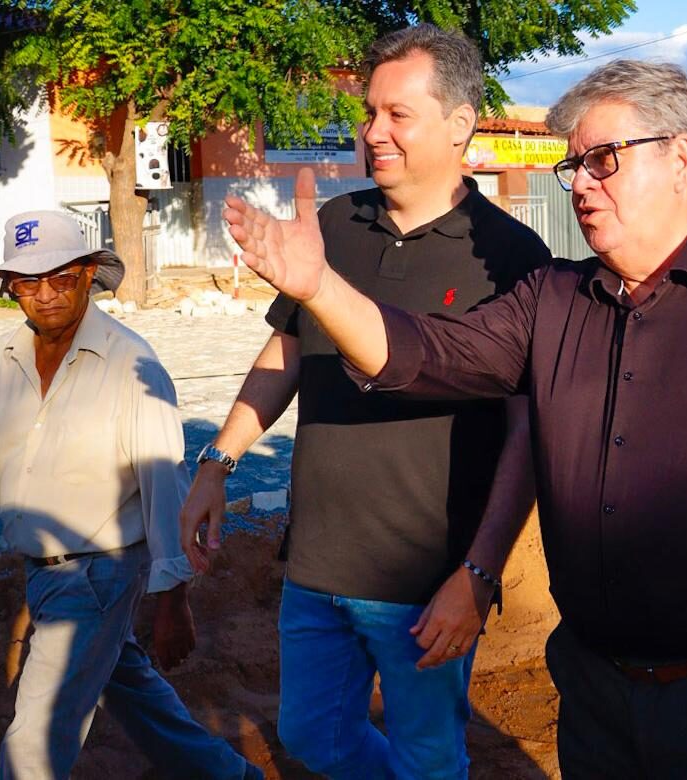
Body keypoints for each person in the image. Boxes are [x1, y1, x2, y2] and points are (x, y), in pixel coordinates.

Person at [222, 59, 687, 779]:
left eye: (602, 161)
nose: (581, 185)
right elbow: (425, 354)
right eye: (574, 167)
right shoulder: (552, 298)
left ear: (680, 157)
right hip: (597, 697)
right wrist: (316, 287)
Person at [179, 25, 549, 780]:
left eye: (397, 115)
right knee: (314, 739)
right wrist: (218, 462)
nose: (372, 132)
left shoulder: (509, 257)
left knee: (428, 758)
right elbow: (286, 352)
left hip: (423, 581)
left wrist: (477, 575)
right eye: (368, 112)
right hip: (315, 562)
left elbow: (524, 435)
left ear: (458, 123)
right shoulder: (333, 226)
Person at [0, 211, 262, 780]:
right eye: (28, 283)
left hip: (100, 573)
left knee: (35, 739)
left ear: (88, 274)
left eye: (60, 278)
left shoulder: (131, 365)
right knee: (136, 698)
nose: (45, 295)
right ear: (12, 288)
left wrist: (174, 598)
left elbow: (166, 485)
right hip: (43, 570)